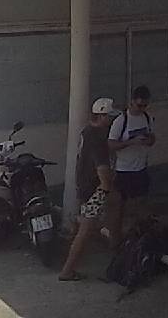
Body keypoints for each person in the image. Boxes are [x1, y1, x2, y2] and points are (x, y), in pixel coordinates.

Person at [58, 97, 117, 281]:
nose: (112, 121)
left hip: (84, 185)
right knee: (86, 230)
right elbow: (102, 169)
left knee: (86, 225)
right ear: (102, 116)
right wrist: (106, 188)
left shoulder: (86, 132)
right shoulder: (98, 138)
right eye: (110, 117)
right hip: (94, 189)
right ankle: (67, 270)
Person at [107, 85, 155, 248]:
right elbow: (111, 144)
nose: (142, 109)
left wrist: (149, 140)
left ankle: (138, 240)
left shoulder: (147, 118)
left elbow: (152, 138)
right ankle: (115, 243)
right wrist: (131, 142)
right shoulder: (121, 121)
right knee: (118, 209)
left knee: (140, 206)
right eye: (139, 105)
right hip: (123, 170)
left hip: (140, 168)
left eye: (145, 105)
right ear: (132, 102)